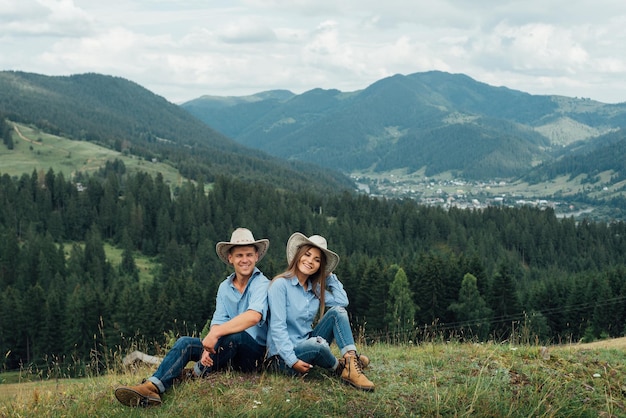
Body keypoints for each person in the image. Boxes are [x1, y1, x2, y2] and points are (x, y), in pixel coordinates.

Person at [114, 228, 271, 407]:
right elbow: (218, 321)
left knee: (236, 336)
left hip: (252, 355)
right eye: (239, 255)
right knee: (185, 343)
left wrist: (216, 335)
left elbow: (253, 317)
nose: (245, 260)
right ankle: (152, 387)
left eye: (249, 254)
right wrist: (208, 345)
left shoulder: (262, 283)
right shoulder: (224, 287)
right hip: (225, 349)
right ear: (230, 258)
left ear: (257, 256)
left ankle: (195, 373)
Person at [265, 232, 374, 391]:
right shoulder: (280, 285)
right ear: (298, 256)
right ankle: (341, 368)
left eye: (317, 260)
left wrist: (328, 275)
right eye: (307, 255)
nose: (310, 261)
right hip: (282, 358)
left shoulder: (314, 289)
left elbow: (342, 301)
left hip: (307, 344)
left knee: (337, 312)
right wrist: (292, 360)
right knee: (319, 345)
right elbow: (277, 328)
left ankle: (350, 362)